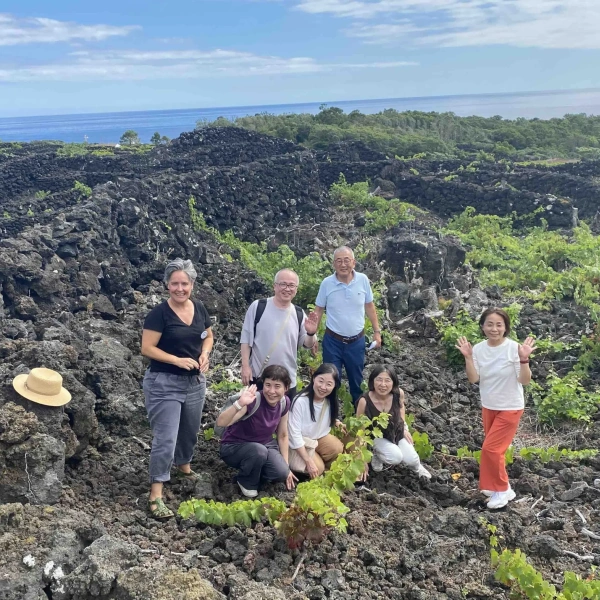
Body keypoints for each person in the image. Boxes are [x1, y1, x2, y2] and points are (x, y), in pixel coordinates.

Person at [141, 258, 213, 519]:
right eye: (175, 284)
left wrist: (204, 354)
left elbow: (208, 335)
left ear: (192, 284)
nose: (180, 288)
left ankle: (184, 468)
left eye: (184, 283)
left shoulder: (200, 308)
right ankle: (156, 493)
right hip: (164, 383)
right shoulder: (159, 314)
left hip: (194, 383)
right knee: (166, 438)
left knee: (190, 430)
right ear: (167, 285)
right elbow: (147, 348)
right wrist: (177, 360)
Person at [456, 307, 535, 509]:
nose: (494, 328)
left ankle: (501, 490)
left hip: (510, 407)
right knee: (493, 450)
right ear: (482, 326)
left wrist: (524, 359)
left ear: (506, 328)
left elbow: (524, 380)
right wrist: (467, 357)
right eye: (489, 324)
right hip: (489, 405)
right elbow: (474, 379)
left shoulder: (514, 348)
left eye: (499, 324)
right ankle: (500, 487)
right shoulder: (479, 349)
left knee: (491, 450)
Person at [312, 246, 381, 404]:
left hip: (356, 342)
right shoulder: (327, 283)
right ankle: (329, 418)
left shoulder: (363, 280)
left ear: (354, 263)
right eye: (339, 261)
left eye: (346, 260)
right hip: (332, 341)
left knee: (356, 382)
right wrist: (313, 335)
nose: (343, 264)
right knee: (330, 381)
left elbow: (369, 306)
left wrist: (377, 331)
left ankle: (358, 418)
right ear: (333, 264)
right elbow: (319, 309)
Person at [217, 365, 298, 497]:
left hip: (264, 445)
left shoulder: (284, 402)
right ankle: (245, 480)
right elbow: (221, 422)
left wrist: (286, 466)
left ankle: (254, 469)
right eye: (268, 385)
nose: (271, 391)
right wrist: (240, 403)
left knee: (281, 472)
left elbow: (282, 435)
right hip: (234, 446)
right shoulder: (253, 401)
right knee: (258, 451)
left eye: (277, 386)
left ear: (286, 388)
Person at [240, 269, 318, 399]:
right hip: (260, 378)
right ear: (274, 286)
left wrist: (311, 333)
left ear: (296, 289)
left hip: (287, 381)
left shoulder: (298, 314)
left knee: (284, 417)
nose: (287, 289)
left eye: (291, 285)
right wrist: (245, 366)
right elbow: (246, 339)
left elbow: (307, 345)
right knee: (255, 416)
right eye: (283, 284)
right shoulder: (258, 307)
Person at [356, 365, 432, 480]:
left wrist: (404, 426)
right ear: (372, 381)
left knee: (413, 459)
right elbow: (359, 430)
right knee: (395, 457)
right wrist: (362, 459)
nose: (383, 384)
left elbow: (401, 407)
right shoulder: (364, 401)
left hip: (396, 431)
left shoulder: (398, 394)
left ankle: (418, 468)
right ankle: (377, 453)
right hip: (376, 436)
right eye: (379, 380)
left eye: (387, 380)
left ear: (393, 383)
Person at [288, 363, 344, 478]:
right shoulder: (300, 401)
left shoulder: (329, 401)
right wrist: (308, 460)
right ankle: (309, 467)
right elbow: (294, 436)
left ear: (334, 386)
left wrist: (337, 422)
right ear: (313, 378)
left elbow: (322, 417)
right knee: (318, 468)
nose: (323, 387)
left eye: (329, 384)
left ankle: (322, 468)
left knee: (337, 448)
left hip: (317, 438)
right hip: (300, 443)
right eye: (321, 381)